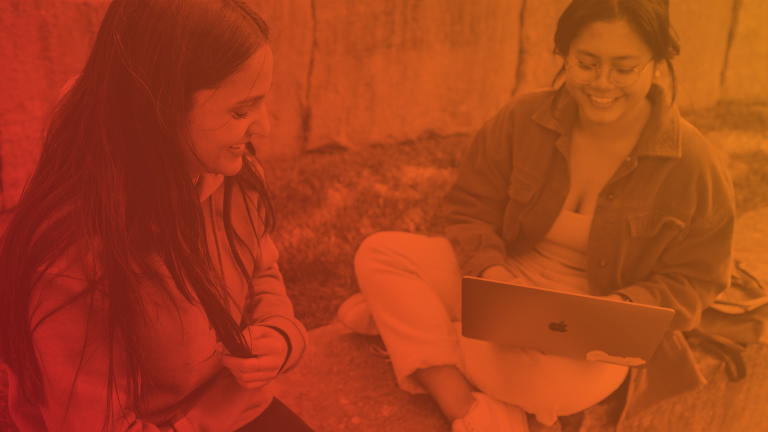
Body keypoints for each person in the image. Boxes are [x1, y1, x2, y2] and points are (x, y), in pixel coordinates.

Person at [344, 0, 735, 431]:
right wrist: (493, 275)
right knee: (380, 254)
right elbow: (469, 208)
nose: (602, 83)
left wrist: (620, 307)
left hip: (591, 325)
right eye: (586, 63)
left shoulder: (694, 163)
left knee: (552, 388)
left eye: (625, 69)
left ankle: (409, 328)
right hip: (502, 284)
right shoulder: (521, 119)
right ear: (564, 55)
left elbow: (698, 279)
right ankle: (468, 409)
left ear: (657, 65)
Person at [0, 0, 313, 431]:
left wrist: (280, 334)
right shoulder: (75, 255)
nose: (264, 126)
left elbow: (261, 267)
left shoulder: (231, 173)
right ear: (160, 110)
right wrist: (212, 415)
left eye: (261, 102)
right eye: (241, 110)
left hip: (229, 405)